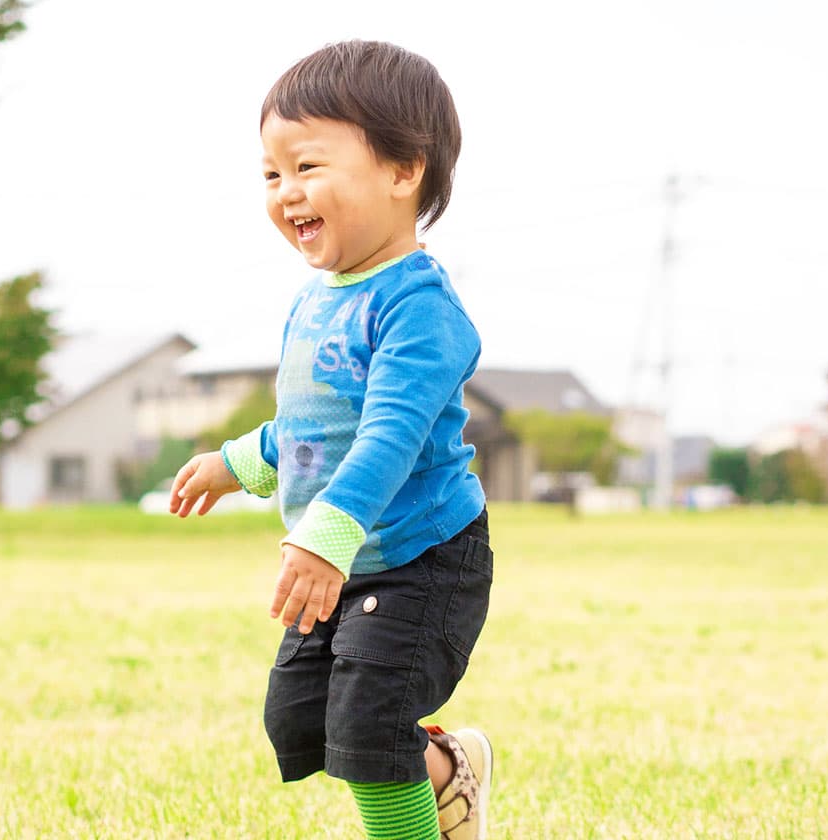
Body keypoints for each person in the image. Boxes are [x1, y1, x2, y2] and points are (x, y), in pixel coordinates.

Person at [169, 40, 494, 840]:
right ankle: (450, 771)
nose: (287, 193)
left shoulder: (420, 309)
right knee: (302, 723)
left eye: (307, 166)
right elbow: (312, 427)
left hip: (421, 558)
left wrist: (325, 538)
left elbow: (388, 435)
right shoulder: (316, 302)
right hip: (340, 555)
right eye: (272, 174)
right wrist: (233, 462)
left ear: (401, 169)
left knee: (369, 726)